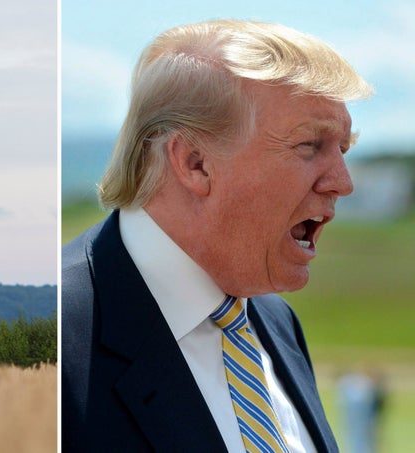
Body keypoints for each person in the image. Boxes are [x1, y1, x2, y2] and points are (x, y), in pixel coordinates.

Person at [62, 20, 373, 452]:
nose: (342, 181)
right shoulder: (54, 335)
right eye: (310, 145)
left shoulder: (275, 321)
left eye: (343, 149)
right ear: (194, 163)